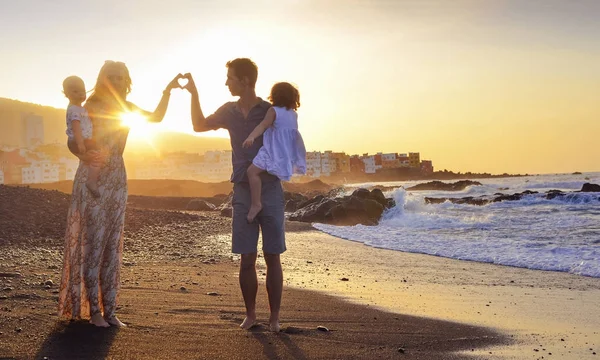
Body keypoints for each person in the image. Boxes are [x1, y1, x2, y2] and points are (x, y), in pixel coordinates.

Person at [58, 60, 183, 328]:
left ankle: (110, 311)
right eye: (110, 77)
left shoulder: (126, 106)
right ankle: (93, 313)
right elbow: (71, 137)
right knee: (93, 243)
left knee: (112, 245)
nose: (115, 81)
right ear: (102, 79)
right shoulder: (90, 105)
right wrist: (83, 154)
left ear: (126, 81)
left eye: (120, 77)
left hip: (118, 177)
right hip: (94, 176)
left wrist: (168, 91)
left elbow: (156, 118)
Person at [184, 58, 286, 332]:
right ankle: (251, 315)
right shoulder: (228, 111)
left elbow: (288, 136)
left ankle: (275, 318)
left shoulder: (269, 110)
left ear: (245, 81)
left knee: (273, 254)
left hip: (271, 189)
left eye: (230, 78)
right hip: (242, 189)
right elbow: (199, 125)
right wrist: (194, 94)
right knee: (247, 256)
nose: (226, 82)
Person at [242, 82, 306, 223]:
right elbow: (291, 135)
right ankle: (266, 203)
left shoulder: (273, 111)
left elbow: (263, 125)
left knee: (252, 172)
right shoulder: (294, 114)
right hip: (286, 152)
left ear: (275, 95)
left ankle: (256, 204)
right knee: (272, 177)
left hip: (273, 150)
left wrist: (251, 136)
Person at [63, 76, 102, 197]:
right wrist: (80, 143)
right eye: (75, 91)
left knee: (93, 156)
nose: (80, 94)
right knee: (97, 156)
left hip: (81, 140)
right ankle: (91, 181)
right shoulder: (75, 110)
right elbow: (76, 127)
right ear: (66, 94)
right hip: (78, 140)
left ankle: (92, 177)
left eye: (82, 91)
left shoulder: (79, 108)